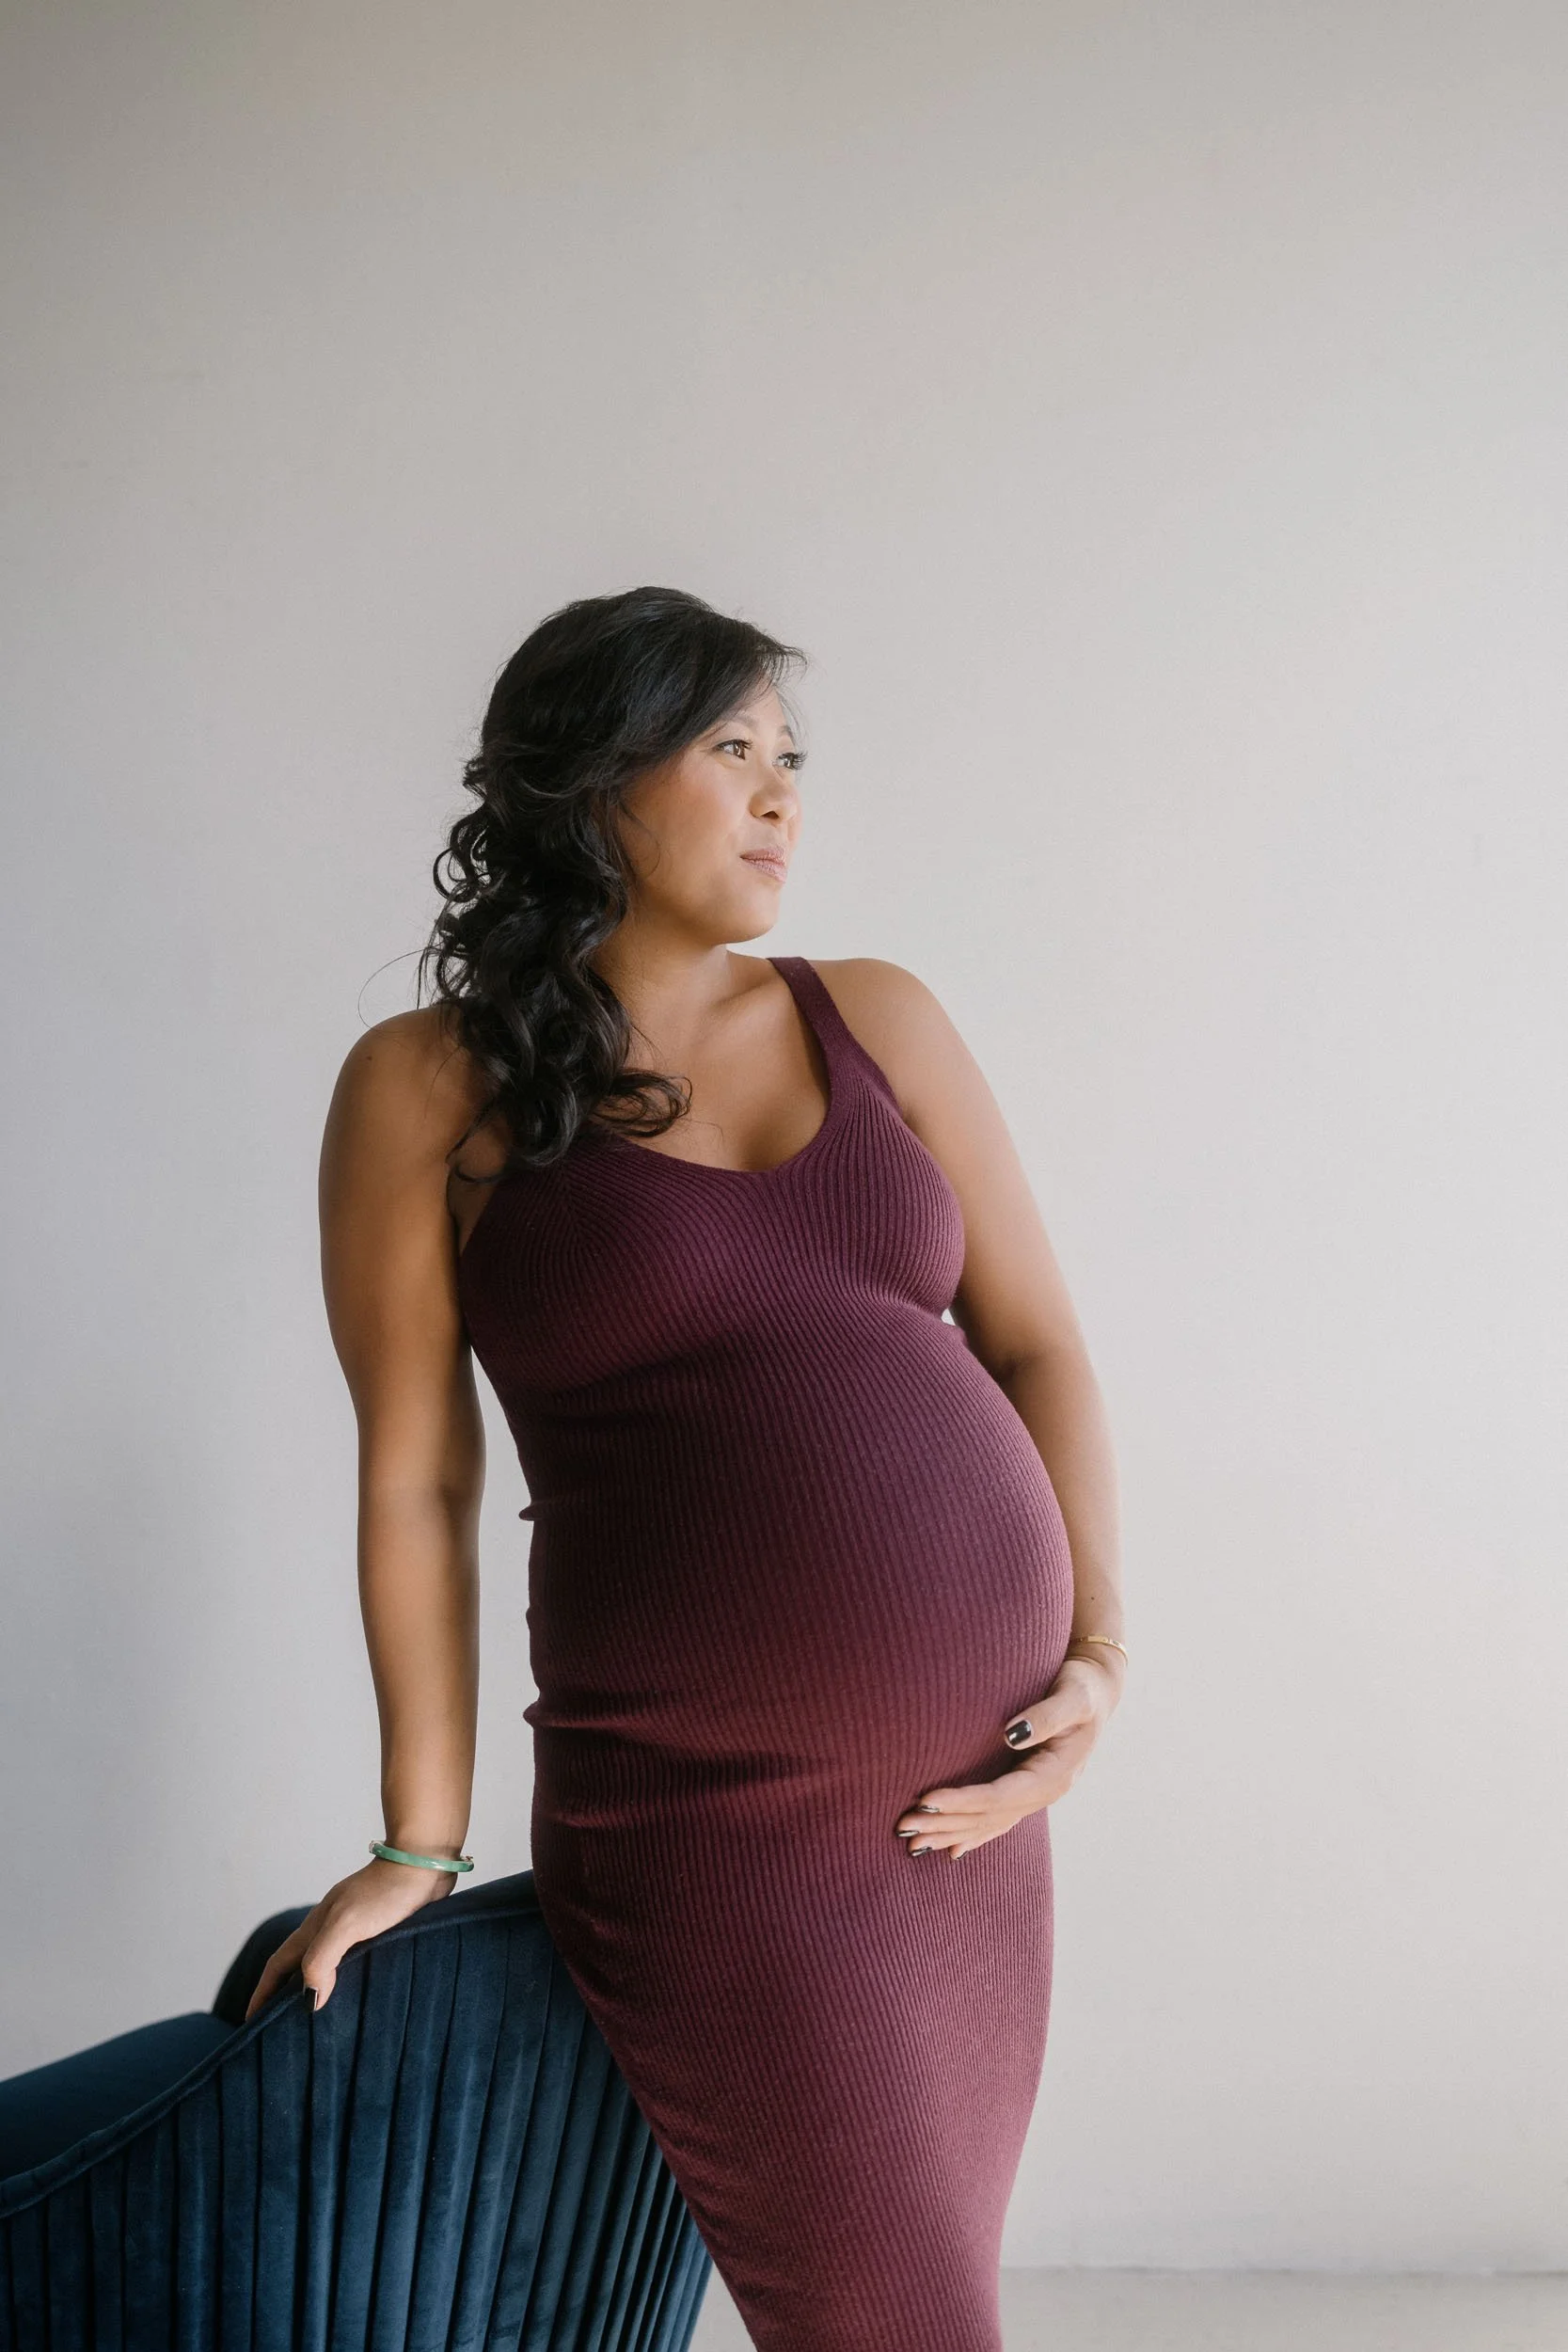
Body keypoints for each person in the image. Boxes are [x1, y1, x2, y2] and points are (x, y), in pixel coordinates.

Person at [246, 584, 1126, 2352]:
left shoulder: (876, 1014)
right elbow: (416, 1474)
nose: (783, 796)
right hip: (708, 1804)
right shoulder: (429, 1086)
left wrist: (1097, 1659)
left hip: (966, 1806)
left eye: (791, 755)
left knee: (925, 2295)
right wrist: (417, 1840)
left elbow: (1035, 1346)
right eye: (732, 748)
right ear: (593, 780)